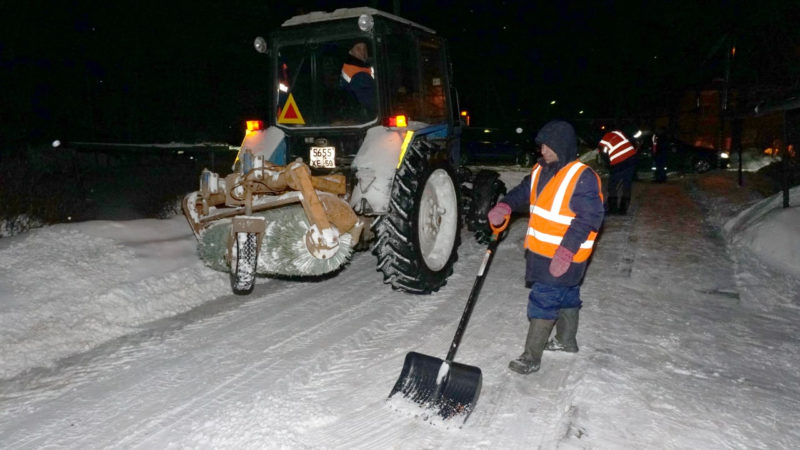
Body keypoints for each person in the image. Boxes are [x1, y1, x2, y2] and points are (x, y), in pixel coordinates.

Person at [487, 120, 605, 374]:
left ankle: (531, 357)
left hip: (565, 254)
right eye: (541, 146)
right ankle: (566, 340)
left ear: (562, 146)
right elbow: (522, 192)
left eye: (548, 146)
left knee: (544, 300)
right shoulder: (541, 170)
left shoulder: (582, 177)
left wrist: (567, 250)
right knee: (568, 293)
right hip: (541, 251)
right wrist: (505, 205)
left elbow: (590, 217)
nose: (543, 151)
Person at [598, 129, 637, 214]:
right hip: (632, 158)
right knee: (626, 184)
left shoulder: (603, 141)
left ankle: (612, 208)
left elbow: (604, 154)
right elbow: (631, 141)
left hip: (619, 162)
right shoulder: (619, 132)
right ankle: (623, 210)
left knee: (612, 185)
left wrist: (609, 165)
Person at [340, 42, 376, 117]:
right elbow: (371, 103)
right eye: (358, 49)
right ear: (350, 52)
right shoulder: (359, 75)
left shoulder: (362, 67)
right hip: (363, 117)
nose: (362, 52)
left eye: (364, 49)